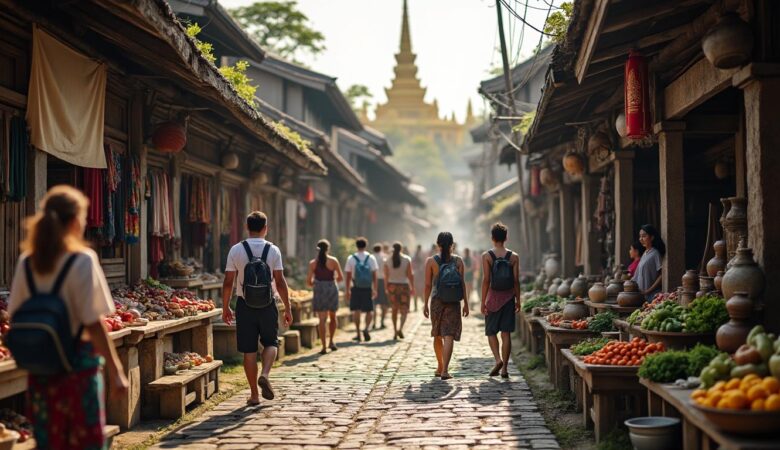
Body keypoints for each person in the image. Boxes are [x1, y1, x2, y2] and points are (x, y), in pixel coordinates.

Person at [8, 185, 129, 449]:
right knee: (84, 441)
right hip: (78, 368)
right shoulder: (82, 260)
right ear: (75, 221)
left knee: (49, 441)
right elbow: (93, 323)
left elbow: (14, 315)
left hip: (41, 369)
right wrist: (116, 371)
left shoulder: (28, 262)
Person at [222, 211, 292, 405]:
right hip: (268, 304)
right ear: (265, 228)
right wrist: (288, 308)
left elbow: (228, 282)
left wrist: (225, 307)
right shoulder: (273, 250)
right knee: (271, 343)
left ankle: (254, 395)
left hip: (244, 305)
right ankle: (265, 374)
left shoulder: (236, 250)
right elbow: (280, 281)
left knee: (249, 350)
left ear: (247, 227)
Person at [424, 232, 469, 380]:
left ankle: (439, 366)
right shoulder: (458, 261)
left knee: (437, 334)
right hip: (454, 302)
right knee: (448, 335)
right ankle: (445, 370)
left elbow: (427, 285)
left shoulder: (431, 261)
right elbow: (462, 284)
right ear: (452, 245)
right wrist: (466, 303)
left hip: (437, 301)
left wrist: (425, 304)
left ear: (438, 244)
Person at [480, 223, 521, 378]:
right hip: (509, 298)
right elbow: (516, 281)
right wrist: (518, 300)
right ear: (506, 238)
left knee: (491, 331)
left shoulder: (487, 256)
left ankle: (498, 360)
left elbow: (486, 280)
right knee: (506, 333)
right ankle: (505, 369)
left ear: (492, 238)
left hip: (492, 298)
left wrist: (483, 301)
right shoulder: (514, 257)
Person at [307, 239, 344, 355]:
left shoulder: (313, 263)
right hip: (332, 289)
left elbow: (308, 282)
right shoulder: (333, 261)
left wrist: (317, 284)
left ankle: (323, 346)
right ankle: (331, 342)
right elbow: (340, 278)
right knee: (333, 317)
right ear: (328, 249)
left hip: (319, 290)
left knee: (322, 320)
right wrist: (331, 282)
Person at [344, 237, 378, 342]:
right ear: (366, 245)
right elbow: (374, 275)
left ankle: (358, 333)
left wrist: (347, 290)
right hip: (367, 287)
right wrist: (375, 288)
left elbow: (348, 276)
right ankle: (366, 328)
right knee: (369, 310)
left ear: (356, 245)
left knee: (356, 310)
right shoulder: (371, 258)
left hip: (356, 287)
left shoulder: (351, 258)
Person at [384, 242, 415, 340]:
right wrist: (412, 287)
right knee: (404, 309)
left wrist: (386, 287)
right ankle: (400, 328)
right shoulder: (407, 259)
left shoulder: (387, 260)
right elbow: (410, 275)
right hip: (404, 286)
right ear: (401, 249)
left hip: (392, 286)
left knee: (394, 309)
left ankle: (394, 331)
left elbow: (386, 276)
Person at [632, 224, 666, 301]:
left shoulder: (655, 254)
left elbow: (662, 275)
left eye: (644, 236)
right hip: (642, 297)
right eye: (640, 236)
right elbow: (636, 276)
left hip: (652, 297)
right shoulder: (645, 253)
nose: (641, 239)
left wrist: (648, 291)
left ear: (652, 237)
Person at [372, 244, 389, 330]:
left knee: (374, 303)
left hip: (373, 281)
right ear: (381, 249)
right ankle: (382, 322)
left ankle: (374, 323)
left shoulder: (371, 257)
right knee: (384, 303)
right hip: (383, 281)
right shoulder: (385, 257)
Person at [412, 245, 426, 312]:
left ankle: (417, 307)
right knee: (420, 293)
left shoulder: (416, 255)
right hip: (420, 277)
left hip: (417, 277)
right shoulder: (422, 255)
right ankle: (423, 305)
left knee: (417, 293)